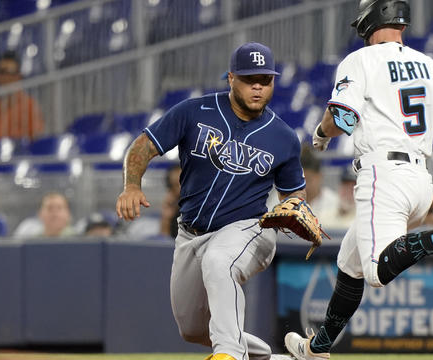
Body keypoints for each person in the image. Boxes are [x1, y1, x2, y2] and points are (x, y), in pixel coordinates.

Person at [283, 1, 433, 359]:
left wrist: (321, 133)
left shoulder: (360, 60)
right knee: (350, 263)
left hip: (383, 175)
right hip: (420, 181)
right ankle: (317, 347)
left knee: (375, 272)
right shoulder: (430, 65)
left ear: (369, 23)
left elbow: (343, 118)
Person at [116, 42, 302, 360]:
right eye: (249, 78)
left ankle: (228, 354)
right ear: (231, 78)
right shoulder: (194, 111)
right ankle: (275, 358)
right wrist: (132, 186)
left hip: (249, 228)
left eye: (265, 79)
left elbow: (294, 193)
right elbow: (143, 146)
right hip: (191, 234)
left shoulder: (283, 136)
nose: (258, 86)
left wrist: (295, 209)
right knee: (194, 329)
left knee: (220, 262)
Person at [0, 51, 44, 141]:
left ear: (18, 76)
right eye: (1, 72)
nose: (4, 77)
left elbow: (36, 137)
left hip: (18, 152)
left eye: (8, 72)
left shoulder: (29, 105)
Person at [161, 163, 182, 239]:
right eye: (176, 185)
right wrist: (166, 218)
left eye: (184, 183)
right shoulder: (172, 209)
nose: (181, 188)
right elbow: (164, 242)